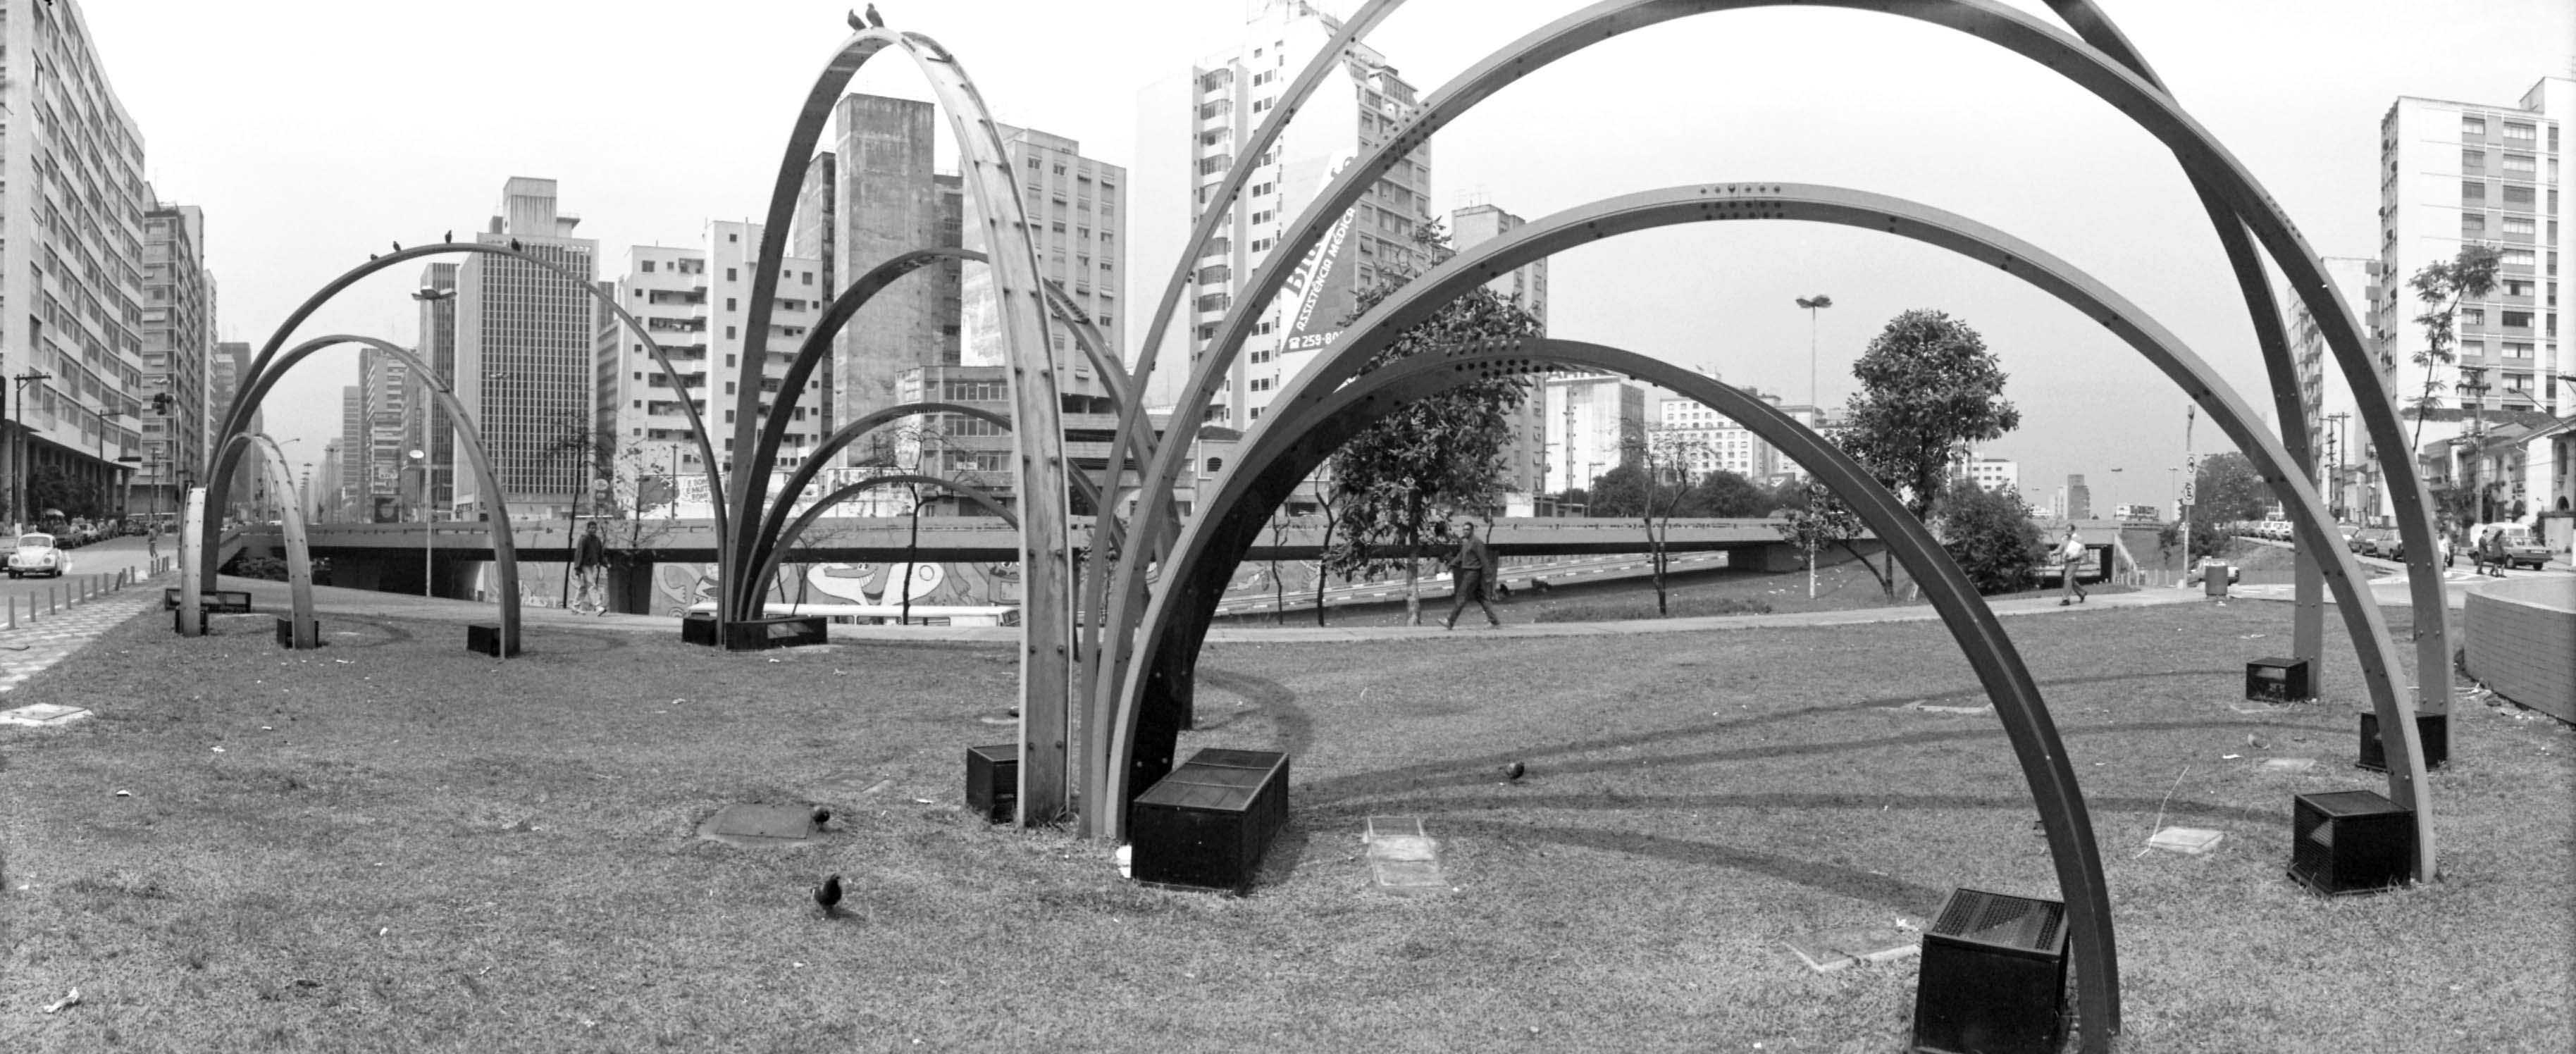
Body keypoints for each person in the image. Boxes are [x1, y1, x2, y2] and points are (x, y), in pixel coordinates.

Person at [1442, 519, 1501, 630]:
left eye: (1468, 530)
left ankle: (1450, 621)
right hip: (1469, 572)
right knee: (1482, 597)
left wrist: (1488, 576)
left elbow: (1484, 560)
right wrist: (1450, 566)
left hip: (1473, 573)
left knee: (1461, 595)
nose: (1465, 532)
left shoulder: (1476, 542)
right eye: (1464, 530)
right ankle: (1495, 622)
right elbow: (1460, 556)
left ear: (1472, 530)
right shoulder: (1466, 543)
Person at [2057, 525, 2088, 606]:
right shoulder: (2065, 539)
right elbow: (2060, 549)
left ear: (2073, 531)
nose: (2066, 533)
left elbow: (2084, 552)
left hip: (2074, 562)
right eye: (2066, 531)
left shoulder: (2079, 539)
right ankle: (2082, 593)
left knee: (2067, 578)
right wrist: (2054, 552)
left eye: (2068, 531)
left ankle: (2066, 599)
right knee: (2071, 580)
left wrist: (2075, 556)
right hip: (2066, 562)